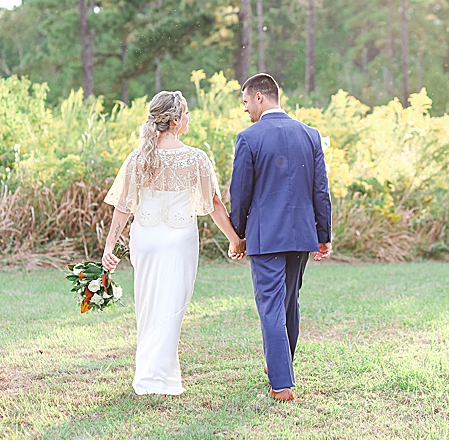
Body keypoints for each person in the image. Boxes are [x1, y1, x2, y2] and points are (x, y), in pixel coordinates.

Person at [101, 90, 243, 396]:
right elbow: (215, 203)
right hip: (180, 240)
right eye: (187, 113)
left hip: (146, 238)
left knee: (148, 306)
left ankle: (150, 376)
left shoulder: (137, 157)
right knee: (172, 308)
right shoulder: (196, 158)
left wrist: (109, 246)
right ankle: (160, 378)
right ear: (176, 120)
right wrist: (235, 240)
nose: (190, 117)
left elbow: (123, 206)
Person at [228, 73, 332, 402]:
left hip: (266, 237)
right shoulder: (309, 134)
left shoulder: (249, 138)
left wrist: (238, 234)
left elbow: (240, 193)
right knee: (289, 303)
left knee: (271, 305)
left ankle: (282, 384)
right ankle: (281, 364)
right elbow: (320, 190)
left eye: (245, 101)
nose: (244, 109)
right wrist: (323, 233)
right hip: (302, 235)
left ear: (260, 98)